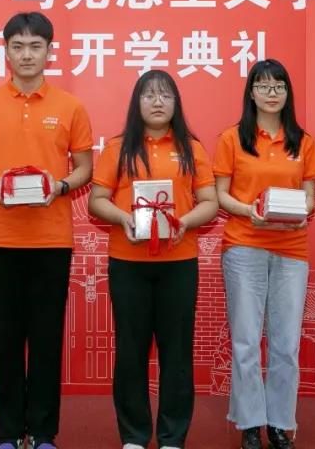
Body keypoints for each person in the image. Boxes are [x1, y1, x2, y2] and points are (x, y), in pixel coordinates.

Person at [0, 12, 94, 449]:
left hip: (51, 238)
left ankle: (42, 432)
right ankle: (7, 432)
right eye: (17, 46)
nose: (26, 55)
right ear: (6, 51)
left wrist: (60, 186)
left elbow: (85, 167)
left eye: (36, 46)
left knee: (46, 337)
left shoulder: (70, 106)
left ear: (49, 52)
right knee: (4, 338)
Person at [88, 70, 218, 449]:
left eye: (165, 95)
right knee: (131, 350)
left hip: (179, 262)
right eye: (149, 95)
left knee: (177, 352)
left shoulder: (192, 149)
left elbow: (210, 202)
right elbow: (97, 200)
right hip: (128, 262)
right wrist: (123, 218)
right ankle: (134, 435)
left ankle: (172, 436)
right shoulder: (118, 148)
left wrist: (185, 222)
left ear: (176, 103)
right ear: (137, 103)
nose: (158, 102)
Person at [213, 60, 315, 449]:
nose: (272, 93)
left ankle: (279, 423)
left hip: (292, 249)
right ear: (251, 93)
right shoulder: (233, 139)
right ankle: (249, 423)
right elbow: (221, 195)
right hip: (245, 244)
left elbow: (309, 197)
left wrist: (302, 212)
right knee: (246, 340)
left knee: (285, 343)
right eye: (263, 86)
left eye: (279, 86)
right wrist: (250, 211)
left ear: (288, 93)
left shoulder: (303, 141)